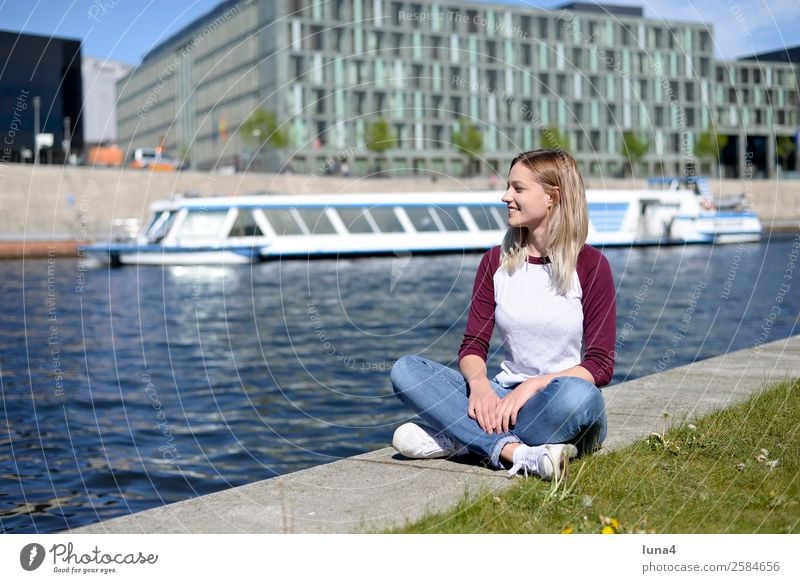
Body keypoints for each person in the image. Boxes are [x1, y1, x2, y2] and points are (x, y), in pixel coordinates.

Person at [390, 149, 616, 482]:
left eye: (517, 188)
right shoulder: (494, 262)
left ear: (552, 196)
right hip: (500, 397)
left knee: (579, 397)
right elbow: (472, 346)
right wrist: (480, 386)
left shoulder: (592, 266)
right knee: (406, 370)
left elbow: (600, 364)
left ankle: (464, 439)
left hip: (558, 400)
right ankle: (518, 453)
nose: (505, 196)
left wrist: (532, 387)